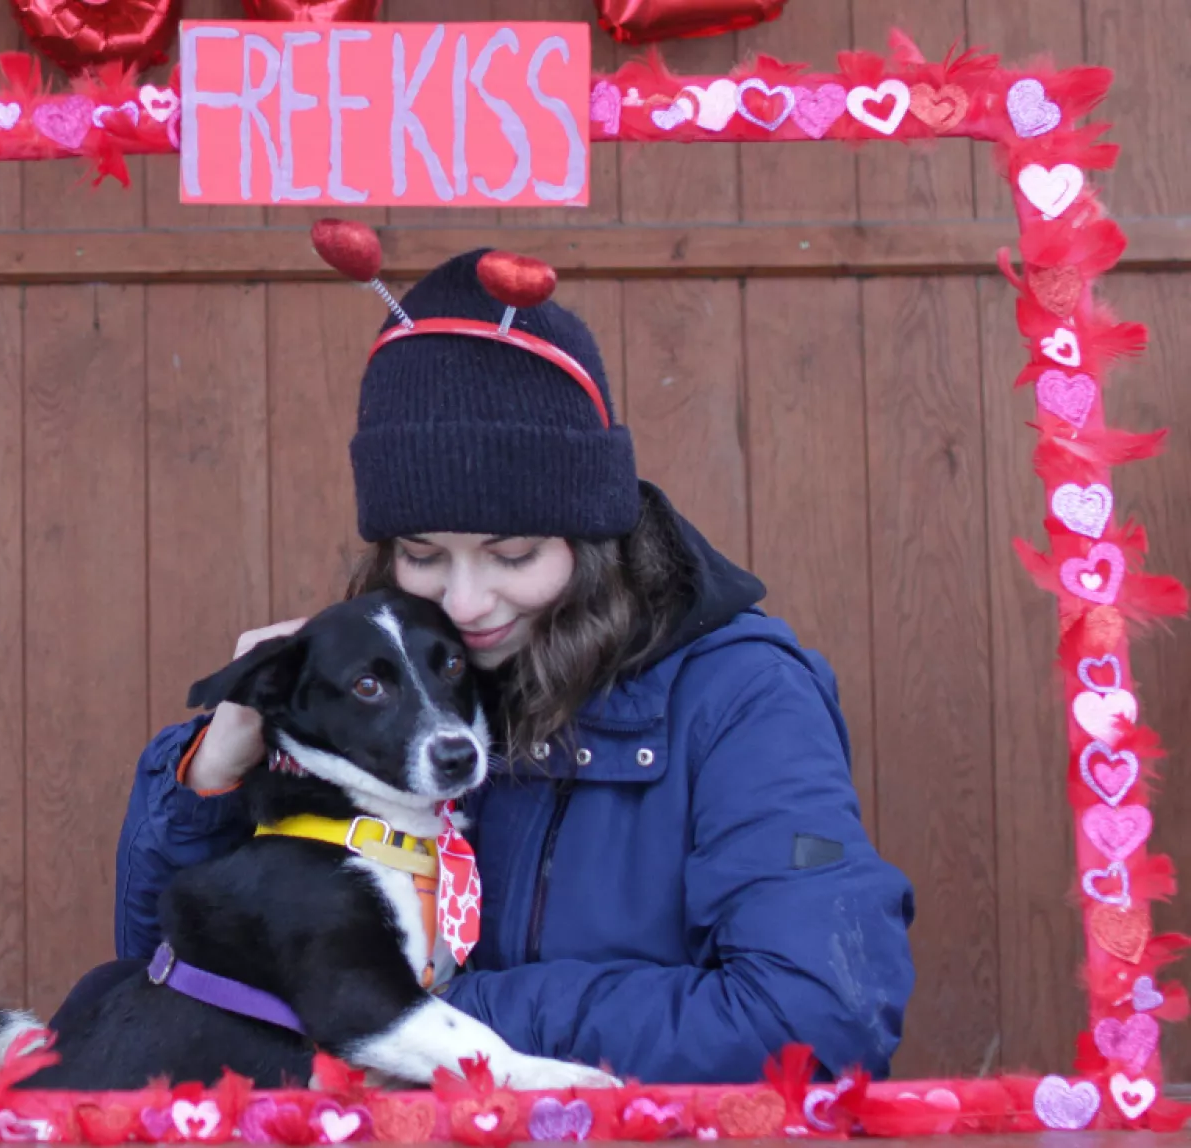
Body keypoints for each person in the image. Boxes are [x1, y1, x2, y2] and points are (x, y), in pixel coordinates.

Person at [97, 248, 916, 1085]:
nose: (465, 602)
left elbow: (817, 1018)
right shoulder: (375, 690)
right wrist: (209, 779)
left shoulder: (739, 697)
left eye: (513, 554)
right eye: (423, 554)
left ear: (590, 539)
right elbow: (178, 989)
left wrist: (433, 1023)